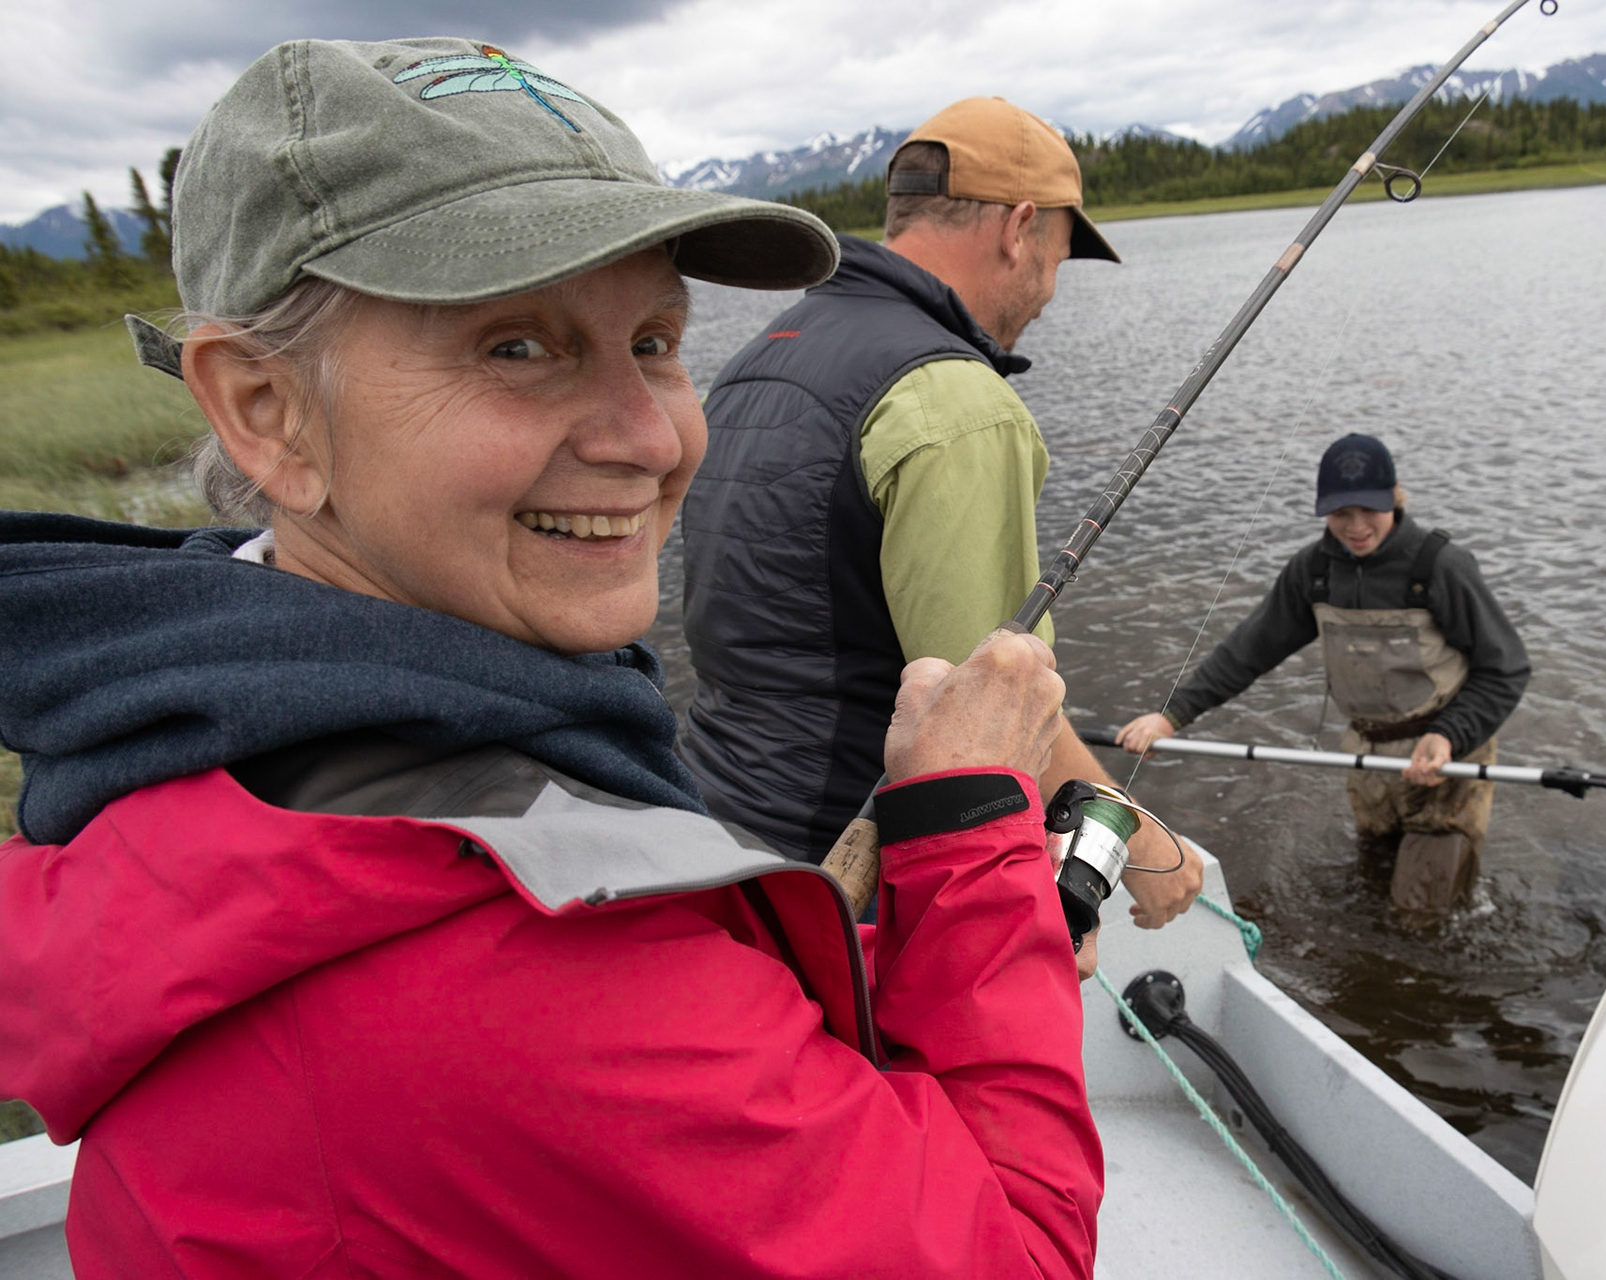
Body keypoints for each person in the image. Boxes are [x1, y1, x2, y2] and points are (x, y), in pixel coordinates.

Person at [0, 39, 1100, 1278]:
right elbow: (1018, 1256)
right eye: (518, 346)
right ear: (267, 411)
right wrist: (969, 830)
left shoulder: (190, 731)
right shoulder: (521, 977)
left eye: (655, 340)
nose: (652, 438)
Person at [679, 97, 1202, 928]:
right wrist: (1134, 842)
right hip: (843, 887)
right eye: (1058, 257)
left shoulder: (764, 353)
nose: (1049, 291)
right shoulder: (958, 402)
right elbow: (989, 707)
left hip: (713, 829)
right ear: (1019, 228)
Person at [1116, 433, 1530, 914]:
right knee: (1373, 882)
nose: (1355, 527)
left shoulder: (1440, 567)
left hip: (1446, 757)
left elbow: (1506, 669)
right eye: (1340, 513)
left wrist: (1449, 735)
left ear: (1395, 497)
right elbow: (1249, 650)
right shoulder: (1314, 572)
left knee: (1423, 909)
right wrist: (1173, 715)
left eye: (1368, 510)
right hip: (1367, 756)